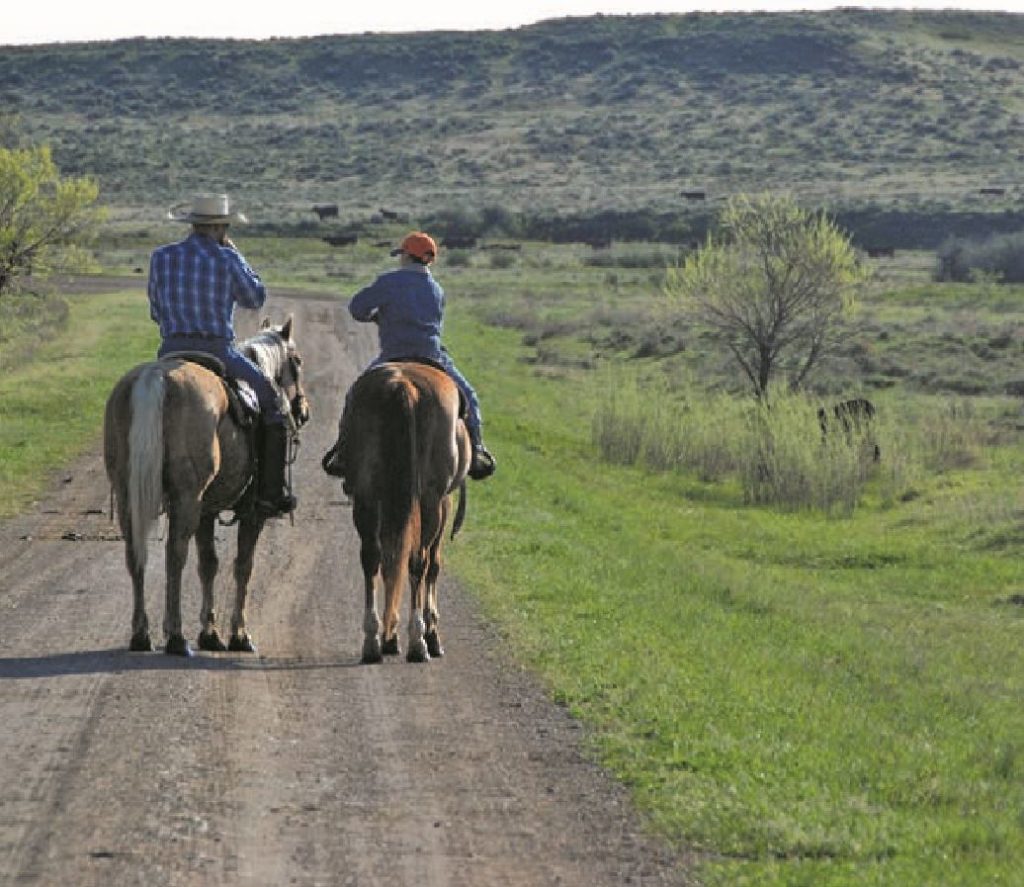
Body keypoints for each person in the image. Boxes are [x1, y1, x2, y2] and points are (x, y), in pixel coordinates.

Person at [147, 193, 297, 518]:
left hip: (170, 350)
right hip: (217, 351)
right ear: (221, 228)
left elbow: (156, 311)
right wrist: (236, 256)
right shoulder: (226, 258)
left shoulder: (161, 257)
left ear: (193, 225)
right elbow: (254, 298)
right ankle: (272, 492)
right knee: (273, 404)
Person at [323, 230, 496, 482]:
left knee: (355, 394)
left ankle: (343, 450)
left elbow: (356, 308)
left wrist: (375, 317)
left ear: (406, 255)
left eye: (402, 254)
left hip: (394, 354)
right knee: (469, 396)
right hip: (432, 355)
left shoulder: (389, 282)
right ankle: (478, 451)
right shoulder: (436, 290)